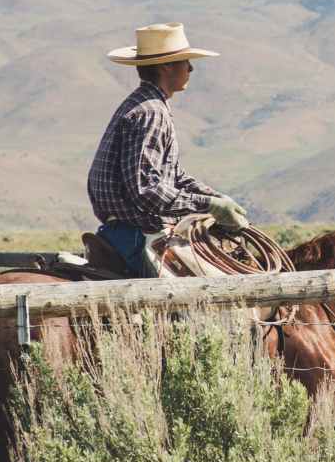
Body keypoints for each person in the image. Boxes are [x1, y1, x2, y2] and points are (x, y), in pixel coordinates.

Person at [88, 23, 248, 276]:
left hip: (126, 230)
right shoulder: (150, 112)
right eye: (185, 61)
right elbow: (146, 189)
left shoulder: (144, 105)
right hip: (138, 234)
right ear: (166, 66)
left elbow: (173, 175)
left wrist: (217, 199)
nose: (191, 68)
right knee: (208, 294)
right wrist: (209, 206)